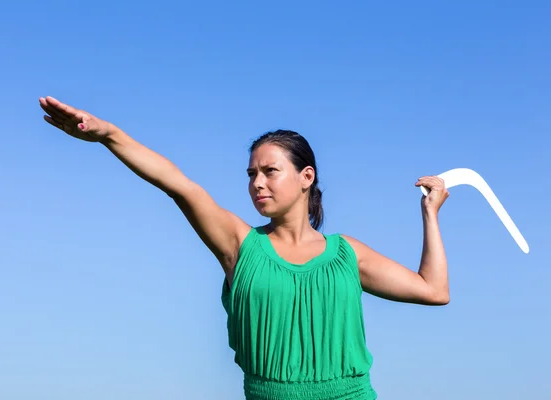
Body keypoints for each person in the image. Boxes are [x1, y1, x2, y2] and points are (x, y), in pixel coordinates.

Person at [39, 96, 450, 400]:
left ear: (306, 177)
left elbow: (434, 290)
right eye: (252, 173)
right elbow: (179, 185)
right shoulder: (240, 246)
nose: (257, 182)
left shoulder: (346, 255)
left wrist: (430, 215)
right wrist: (108, 134)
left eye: (271, 171)